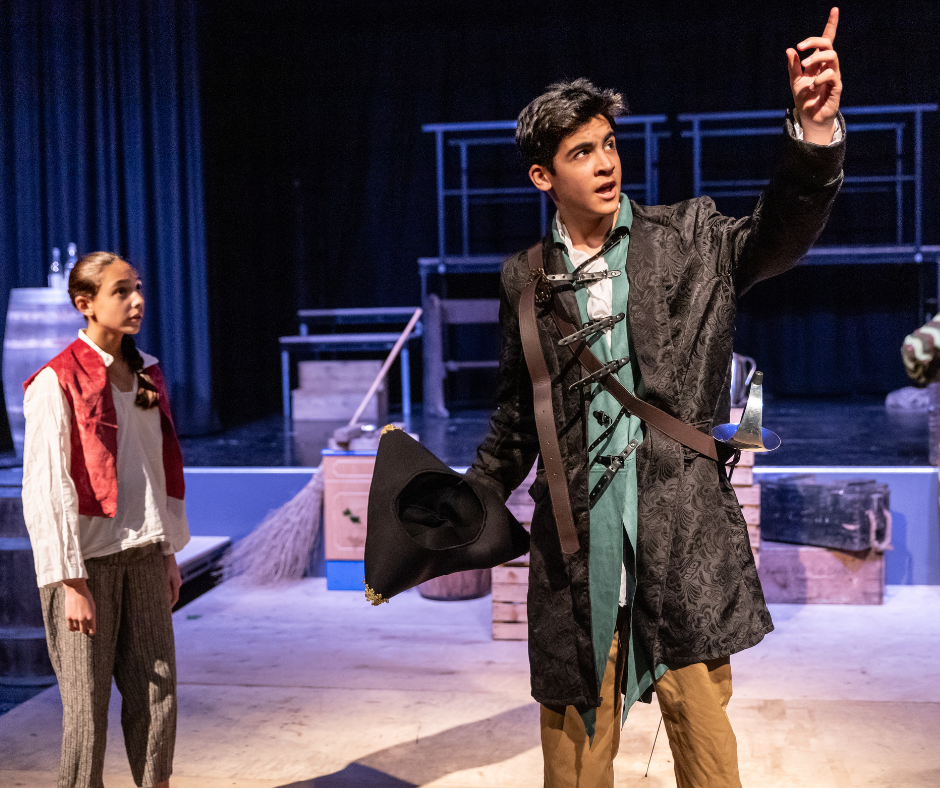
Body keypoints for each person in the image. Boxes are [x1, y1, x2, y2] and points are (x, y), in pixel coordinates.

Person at [465, 9, 845, 787]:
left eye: (608, 144)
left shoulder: (691, 238)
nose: (605, 163)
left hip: (680, 541)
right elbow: (517, 417)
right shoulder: (524, 280)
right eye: (581, 153)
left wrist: (814, 135)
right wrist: (464, 501)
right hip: (578, 557)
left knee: (707, 758)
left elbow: (779, 234)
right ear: (543, 177)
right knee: (575, 765)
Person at [21, 252, 190, 788]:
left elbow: (155, 469)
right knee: (86, 712)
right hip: (87, 567)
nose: (137, 300)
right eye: (121, 291)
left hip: (144, 555)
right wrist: (70, 583)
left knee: (157, 695)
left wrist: (166, 552)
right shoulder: (56, 380)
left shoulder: (146, 371)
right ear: (85, 304)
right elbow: (47, 487)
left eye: (137, 288)